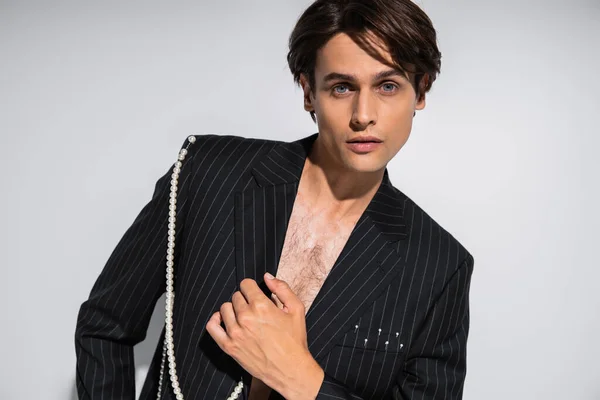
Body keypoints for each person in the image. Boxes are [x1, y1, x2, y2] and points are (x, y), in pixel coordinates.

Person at [75, 0, 475, 399]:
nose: (363, 114)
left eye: (388, 86)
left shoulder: (439, 265)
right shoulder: (207, 174)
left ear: (420, 91)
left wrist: (299, 378)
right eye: (341, 87)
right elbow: (105, 326)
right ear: (308, 92)